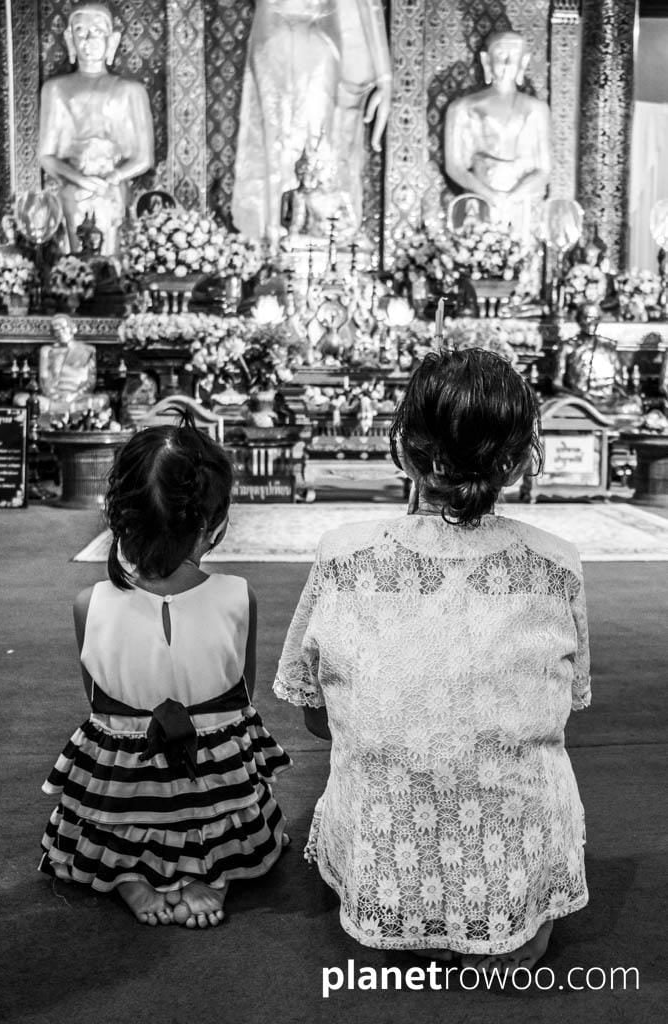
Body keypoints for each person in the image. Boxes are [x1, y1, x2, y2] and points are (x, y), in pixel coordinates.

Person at [274, 348, 590, 968]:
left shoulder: (344, 555)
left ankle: (411, 907)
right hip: (510, 882)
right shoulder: (557, 562)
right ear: (520, 458)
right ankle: (498, 922)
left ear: (408, 452)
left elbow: (317, 717)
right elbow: (559, 713)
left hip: (382, 870)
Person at [39, 414, 291, 927]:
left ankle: (127, 873)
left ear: (120, 518)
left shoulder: (90, 604)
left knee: (122, 768)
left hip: (122, 786)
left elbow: (100, 709)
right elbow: (243, 698)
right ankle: (208, 870)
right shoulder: (237, 596)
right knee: (222, 755)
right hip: (215, 775)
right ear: (214, 523)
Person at [232, 0, 391, 244]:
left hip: (323, 35)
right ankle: (270, 229)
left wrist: (385, 76)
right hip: (276, 30)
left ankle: (316, 227)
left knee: (321, 139)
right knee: (276, 136)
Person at [39, 2, 154, 255]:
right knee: (74, 261)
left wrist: (111, 179)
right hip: (73, 188)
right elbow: (45, 156)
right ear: (70, 39)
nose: (89, 39)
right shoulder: (55, 89)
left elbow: (144, 158)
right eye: (80, 32)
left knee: (110, 258)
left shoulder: (131, 91)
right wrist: (81, 179)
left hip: (112, 187)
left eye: (98, 31)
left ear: (112, 41)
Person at [445, 31, 551, 237]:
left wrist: (511, 198)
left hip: (522, 199)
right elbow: (455, 166)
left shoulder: (536, 109)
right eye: (501, 53)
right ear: (486, 59)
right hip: (479, 196)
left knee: (521, 257)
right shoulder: (463, 108)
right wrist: (490, 196)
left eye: (515, 54)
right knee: (478, 255)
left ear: (524, 60)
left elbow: (544, 170)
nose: (508, 61)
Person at [554, 302, 643, 424]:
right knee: (560, 406)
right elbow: (556, 383)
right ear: (578, 319)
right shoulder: (567, 347)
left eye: (595, 319)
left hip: (606, 401)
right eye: (587, 318)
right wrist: (580, 395)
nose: (591, 323)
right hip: (578, 400)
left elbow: (618, 385)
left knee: (633, 406)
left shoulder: (608, 347)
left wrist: (624, 395)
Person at [23, 313, 111, 418]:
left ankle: (63, 409)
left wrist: (72, 396)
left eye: (63, 328)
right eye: (56, 330)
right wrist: (55, 396)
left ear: (72, 328)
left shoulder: (88, 350)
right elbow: (44, 380)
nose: (60, 333)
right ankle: (67, 409)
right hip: (53, 399)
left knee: (102, 400)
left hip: (77, 398)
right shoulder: (47, 351)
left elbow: (90, 381)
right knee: (21, 400)